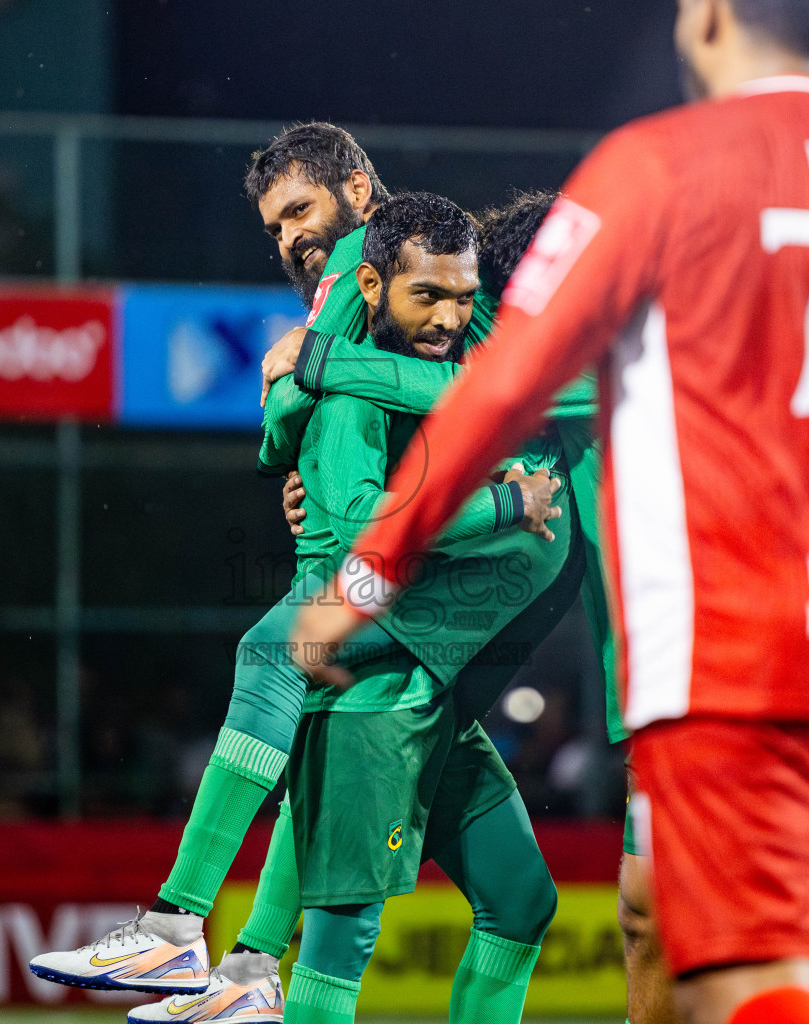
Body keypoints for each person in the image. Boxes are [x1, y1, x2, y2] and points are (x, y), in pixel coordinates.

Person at [286, 4, 809, 1024]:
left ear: (705, 19)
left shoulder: (653, 170)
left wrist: (367, 573)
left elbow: (499, 387)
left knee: (742, 989)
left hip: (740, 647)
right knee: (759, 971)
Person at [29, 131, 563, 1016]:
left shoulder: (375, 263)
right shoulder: (367, 293)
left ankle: (184, 934)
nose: (286, 236)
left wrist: (314, 371)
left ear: (357, 190)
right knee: (501, 893)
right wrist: (298, 418)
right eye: (273, 225)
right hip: (442, 613)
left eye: (299, 211)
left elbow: (481, 399)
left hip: (406, 596)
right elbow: (283, 427)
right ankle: (244, 969)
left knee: (280, 666)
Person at [274, 192, 560, 1024]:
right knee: (337, 940)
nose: (448, 314)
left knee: (521, 900)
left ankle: (242, 950)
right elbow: (374, 530)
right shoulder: (369, 393)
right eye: (428, 295)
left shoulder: (454, 368)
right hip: (381, 692)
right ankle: (221, 938)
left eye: (462, 296)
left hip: (435, 691)